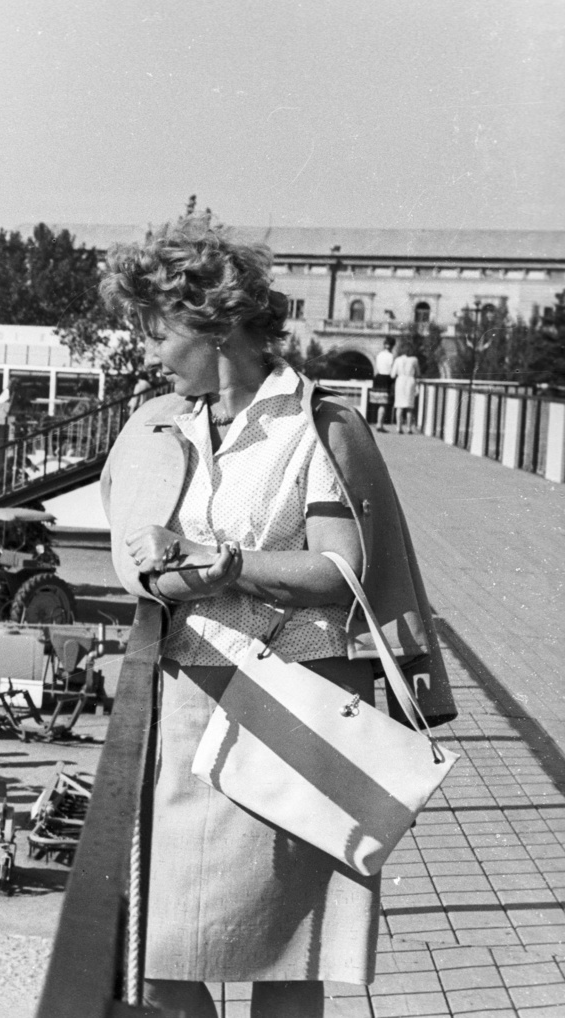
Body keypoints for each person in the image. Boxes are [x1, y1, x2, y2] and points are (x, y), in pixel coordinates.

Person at [99, 214, 454, 1016]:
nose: (151, 351)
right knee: (160, 956)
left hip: (295, 715)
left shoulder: (316, 427)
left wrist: (224, 565)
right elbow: (136, 544)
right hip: (189, 708)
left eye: (159, 332)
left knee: (287, 964)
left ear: (213, 327)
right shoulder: (162, 423)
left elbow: (340, 569)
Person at [391, 346, 421, 435]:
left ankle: (398, 427)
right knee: (409, 406)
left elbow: (392, 374)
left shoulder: (398, 360)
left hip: (400, 381)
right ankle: (408, 428)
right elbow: (418, 373)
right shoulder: (414, 359)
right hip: (410, 381)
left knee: (399, 406)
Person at [371, 337, 397, 432]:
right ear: (392, 346)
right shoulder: (391, 356)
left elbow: (376, 367)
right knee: (383, 404)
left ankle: (378, 423)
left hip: (378, 378)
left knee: (378, 403)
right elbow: (392, 370)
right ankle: (379, 424)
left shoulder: (379, 355)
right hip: (386, 379)